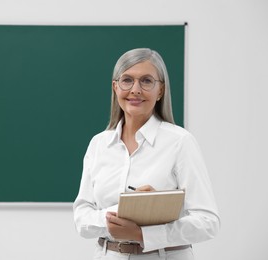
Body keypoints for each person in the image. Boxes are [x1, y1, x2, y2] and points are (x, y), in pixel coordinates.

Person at [73, 48, 220, 260]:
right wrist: (116, 215)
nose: (135, 89)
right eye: (127, 80)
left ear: (160, 90)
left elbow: (208, 222)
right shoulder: (99, 144)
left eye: (147, 81)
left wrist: (142, 233)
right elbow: (82, 218)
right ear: (115, 87)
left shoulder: (180, 142)